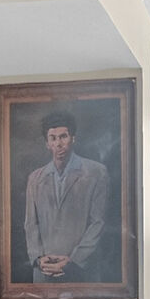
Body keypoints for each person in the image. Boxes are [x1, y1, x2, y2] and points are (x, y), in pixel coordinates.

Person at [23, 110, 108, 283]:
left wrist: (73, 260)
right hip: (45, 273)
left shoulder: (96, 173)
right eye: (53, 138)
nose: (59, 144)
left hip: (82, 273)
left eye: (63, 136)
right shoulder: (35, 178)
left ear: (73, 138)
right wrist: (39, 259)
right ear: (47, 143)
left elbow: (98, 223)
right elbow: (31, 224)